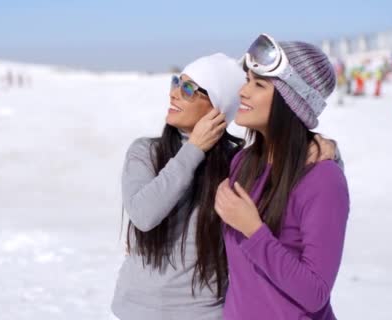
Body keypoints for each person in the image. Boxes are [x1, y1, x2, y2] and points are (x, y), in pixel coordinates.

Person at [111, 53, 340, 320]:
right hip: (133, 311)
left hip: (204, 315)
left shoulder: (237, 163)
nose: (174, 94)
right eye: (176, 82)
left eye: (188, 89)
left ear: (218, 107)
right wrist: (193, 150)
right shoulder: (146, 152)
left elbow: (300, 190)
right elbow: (143, 214)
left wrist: (330, 152)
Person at [215, 34, 349, 320]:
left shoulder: (323, 179)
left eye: (259, 84)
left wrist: (253, 230)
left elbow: (315, 294)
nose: (244, 91)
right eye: (247, 79)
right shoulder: (243, 162)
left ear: (292, 103)